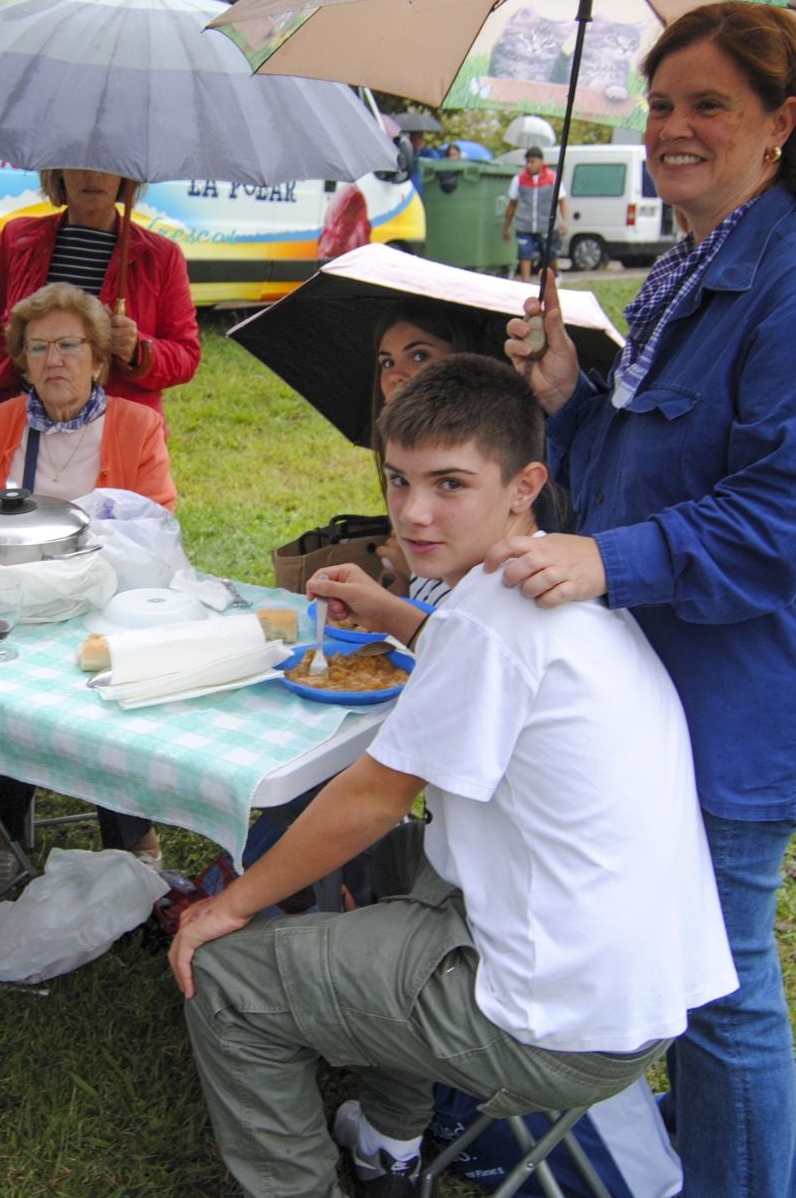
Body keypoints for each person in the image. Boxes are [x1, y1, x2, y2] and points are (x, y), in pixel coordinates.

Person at [499, 2, 796, 1197]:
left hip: (752, 690)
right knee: (685, 960)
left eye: (708, 105)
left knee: (718, 981)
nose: (675, 128)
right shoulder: (696, 264)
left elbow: (787, 520)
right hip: (675, 673)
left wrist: (607, 562)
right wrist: (574, 398)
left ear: (781, 122)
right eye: (662, 103)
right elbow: (652, 466)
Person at [168, 356, 736, 1198]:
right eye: (398, 480)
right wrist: (398, 614)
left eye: (450, 483)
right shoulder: (558, 575)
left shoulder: (490, 616)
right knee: (399, 861)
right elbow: (480, 664)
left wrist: (228, 903)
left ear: (523, 484)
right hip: (640, 993)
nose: (414, 511)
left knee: (228, 976)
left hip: (554, 1024)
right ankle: (391, 1145)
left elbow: (369, 796)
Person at [0, 283, 174, 905]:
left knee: (110, 699)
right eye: (37, 348)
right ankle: (3, 838)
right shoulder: (3, 423)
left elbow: (155, 527)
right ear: (21, 363)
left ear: (99, 358)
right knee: (7, 694)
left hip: (106, 601)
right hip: (18, 601)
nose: (54, 361)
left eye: (68, 346)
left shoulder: (137, 426)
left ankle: (133, 840)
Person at [0, 168, 200, 417]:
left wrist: (137, 349)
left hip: (118, 429)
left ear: (125, 176)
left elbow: (186, 356)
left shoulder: (160, 256)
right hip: (30, 421)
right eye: (80, 163)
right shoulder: (18, 238)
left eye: (107, 166)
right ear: (59, 172)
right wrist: (21, 358)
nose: (93, 176)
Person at [367, 300, 496, 607]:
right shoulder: (403, 454)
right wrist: (399, 581)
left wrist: (414, 569)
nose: (396, 376)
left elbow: (467, 630)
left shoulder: (488, 464)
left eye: (419, 356)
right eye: (387, 363)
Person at [502, 146, 568, 281]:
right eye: (527, 162)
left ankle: (554, 276)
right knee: (525, 255)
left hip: (546, 225)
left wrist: (565, 221)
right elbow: (512, 204)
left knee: (549, 256)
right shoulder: (519, 179)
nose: (529, 165)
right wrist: (507, 226)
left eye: (532, 161)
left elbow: (562, 201)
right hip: (524, 225)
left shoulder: (553, 178)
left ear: (541, 162)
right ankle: (525, 283)